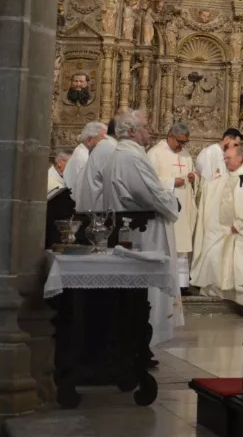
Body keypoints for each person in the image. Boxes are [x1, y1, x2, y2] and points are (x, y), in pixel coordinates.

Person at [105, 108, 183, 346]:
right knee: (148, 291)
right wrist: (174, 203)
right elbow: (151, 194)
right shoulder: (131, 157)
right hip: (145, 232)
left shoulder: (128, 154)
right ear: (131, 131)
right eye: (146, 126)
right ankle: (145, 339)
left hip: (139, 228)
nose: (150, 130)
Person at [190, 139, 243, 304]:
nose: (225, 162)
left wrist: (239, 223)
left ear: (240, 158)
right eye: (225, 159)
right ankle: (230, 295)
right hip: (228, 230)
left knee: (241, 266)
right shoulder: (231, 174)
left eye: (228, 159)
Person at [147, 122, 200, 293]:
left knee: (182, 245)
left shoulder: (185, 154)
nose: (182, 146)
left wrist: (193, 178)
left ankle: (182, 283)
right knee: (168, 244)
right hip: (166, 207)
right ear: (170, 136)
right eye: (179, 141)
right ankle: (165, 282)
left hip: (184, 206)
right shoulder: (155, 153)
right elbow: (148, 181)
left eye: (185, 142)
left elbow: (192, 176)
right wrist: (171, 182)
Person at [74, 116, 121, 214]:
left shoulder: (102, 148)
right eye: (103, 138)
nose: (105, 140)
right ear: (90, 140)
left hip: (91, 208)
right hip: (95, 211)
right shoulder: (107, 149)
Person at [64, 121, 107, 196]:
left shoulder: (84, 153)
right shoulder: (82, 157)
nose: (105, 145)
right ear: (90, 140)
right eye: (103, 141)